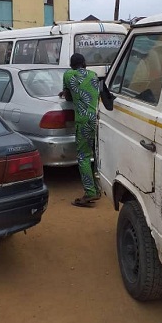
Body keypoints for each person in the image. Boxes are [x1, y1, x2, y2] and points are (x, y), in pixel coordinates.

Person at [59, 53, 101, 207]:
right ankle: (97, 189)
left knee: (83, 156)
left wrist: (65, 93)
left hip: (83, 121)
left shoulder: (69, 75)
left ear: (71, 65)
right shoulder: (94, 75)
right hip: (98, 119)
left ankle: (90, 193)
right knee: (96, 156)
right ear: (85, 63)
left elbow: (69, 97)